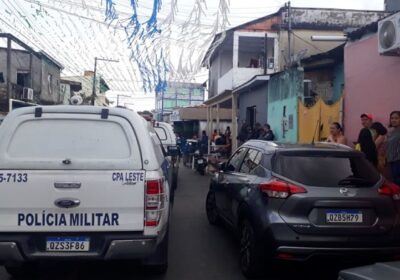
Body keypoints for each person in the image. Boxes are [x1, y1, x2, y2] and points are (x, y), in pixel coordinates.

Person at [386, 111, 400, 185]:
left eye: (396, 118)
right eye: (392, 118)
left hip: (398, 161)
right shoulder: (392, 132)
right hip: (392, 161)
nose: (393, 120)